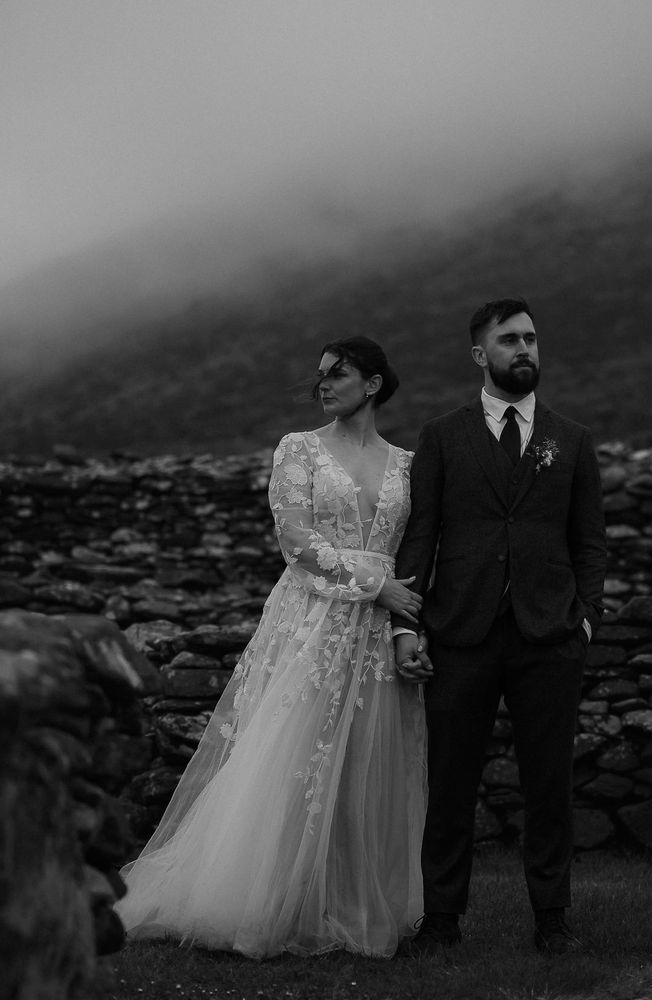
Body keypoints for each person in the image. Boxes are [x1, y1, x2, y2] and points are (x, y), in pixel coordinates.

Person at [115, 337, 427, 959]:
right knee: (294, 758)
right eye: (319, 376)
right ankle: (265, 902)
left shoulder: (407, 464)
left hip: (374, 632)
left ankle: (348, 900)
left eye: (338, 375)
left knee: (365, 764)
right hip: (311, 620)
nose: (323, 385)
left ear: (373, 384)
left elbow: (414, 553)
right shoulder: (299, 449)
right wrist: (374, 585)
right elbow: (295, 538)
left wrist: (401, 623)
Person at [392, 297, 607, 956]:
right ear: (480, 354)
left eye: (532, 339)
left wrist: (588, 619)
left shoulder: (571, 440)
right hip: (461, 631)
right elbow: (420, 533)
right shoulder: (441, 436)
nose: (525, 350)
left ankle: (552, 917)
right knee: (450, 782)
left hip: (550, 634)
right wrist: (406, 625)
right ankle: (441, 918)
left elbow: (589, 540)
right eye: (510, 340)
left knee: (549, 782)